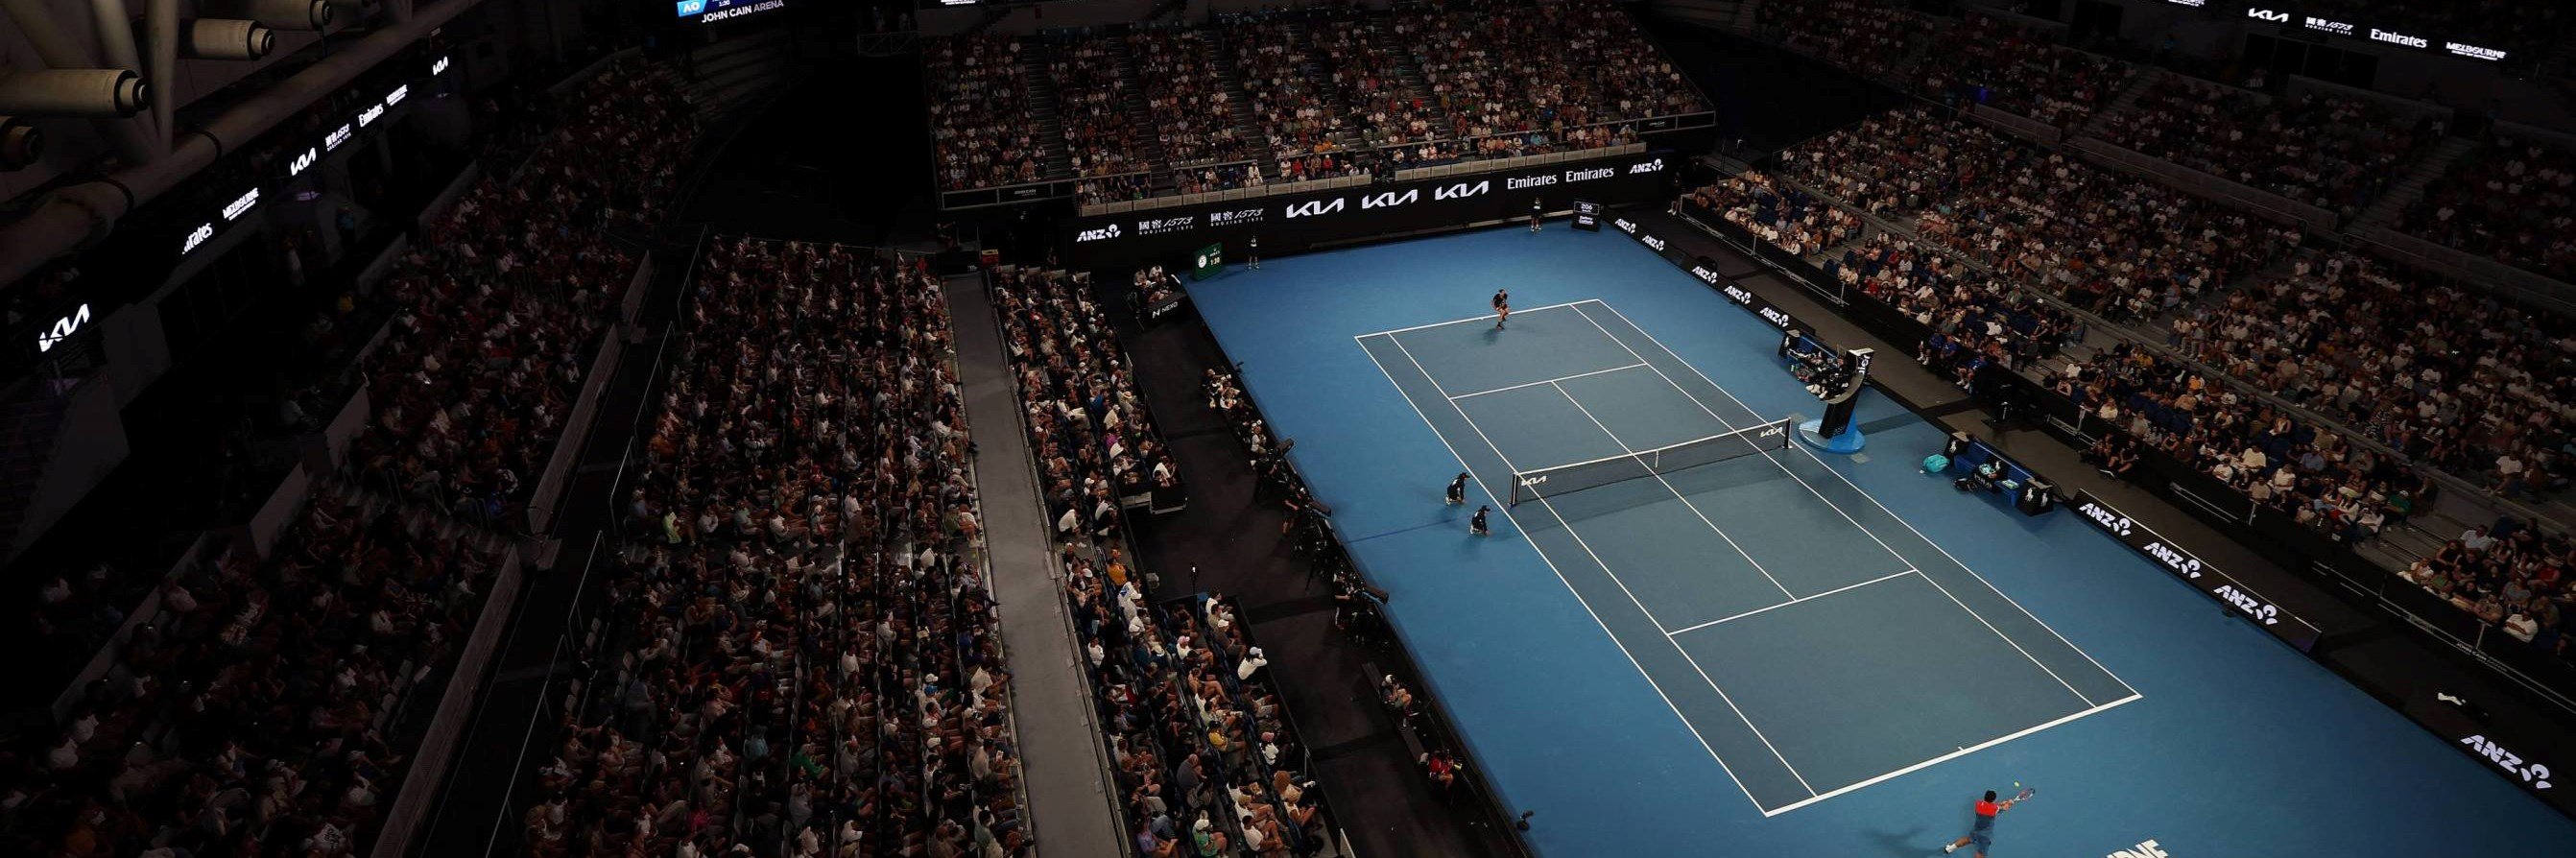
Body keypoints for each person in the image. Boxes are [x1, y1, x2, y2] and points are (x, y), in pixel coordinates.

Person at [1944, 789, 2016, 856]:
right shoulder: (1995, 809)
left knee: (1968, 839)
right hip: (1985, 836)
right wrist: (2010, 803)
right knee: (1981, 853)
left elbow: (1992, 806)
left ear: (1985, 797)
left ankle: (1950, 848)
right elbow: (2004, 808)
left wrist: (2003, 803)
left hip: (1976, 830)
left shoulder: (1978, 804)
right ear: (1994, 799)